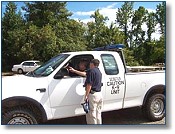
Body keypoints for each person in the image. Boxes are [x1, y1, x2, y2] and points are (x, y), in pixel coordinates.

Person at [84, 59, 103, 124]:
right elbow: (84, 73)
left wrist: (86, 95)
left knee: (92, 114)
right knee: (98, 113)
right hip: (99, 94)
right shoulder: (99, 71)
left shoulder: (91, 71)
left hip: (93, 95)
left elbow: (89, 84)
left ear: (92, 64)